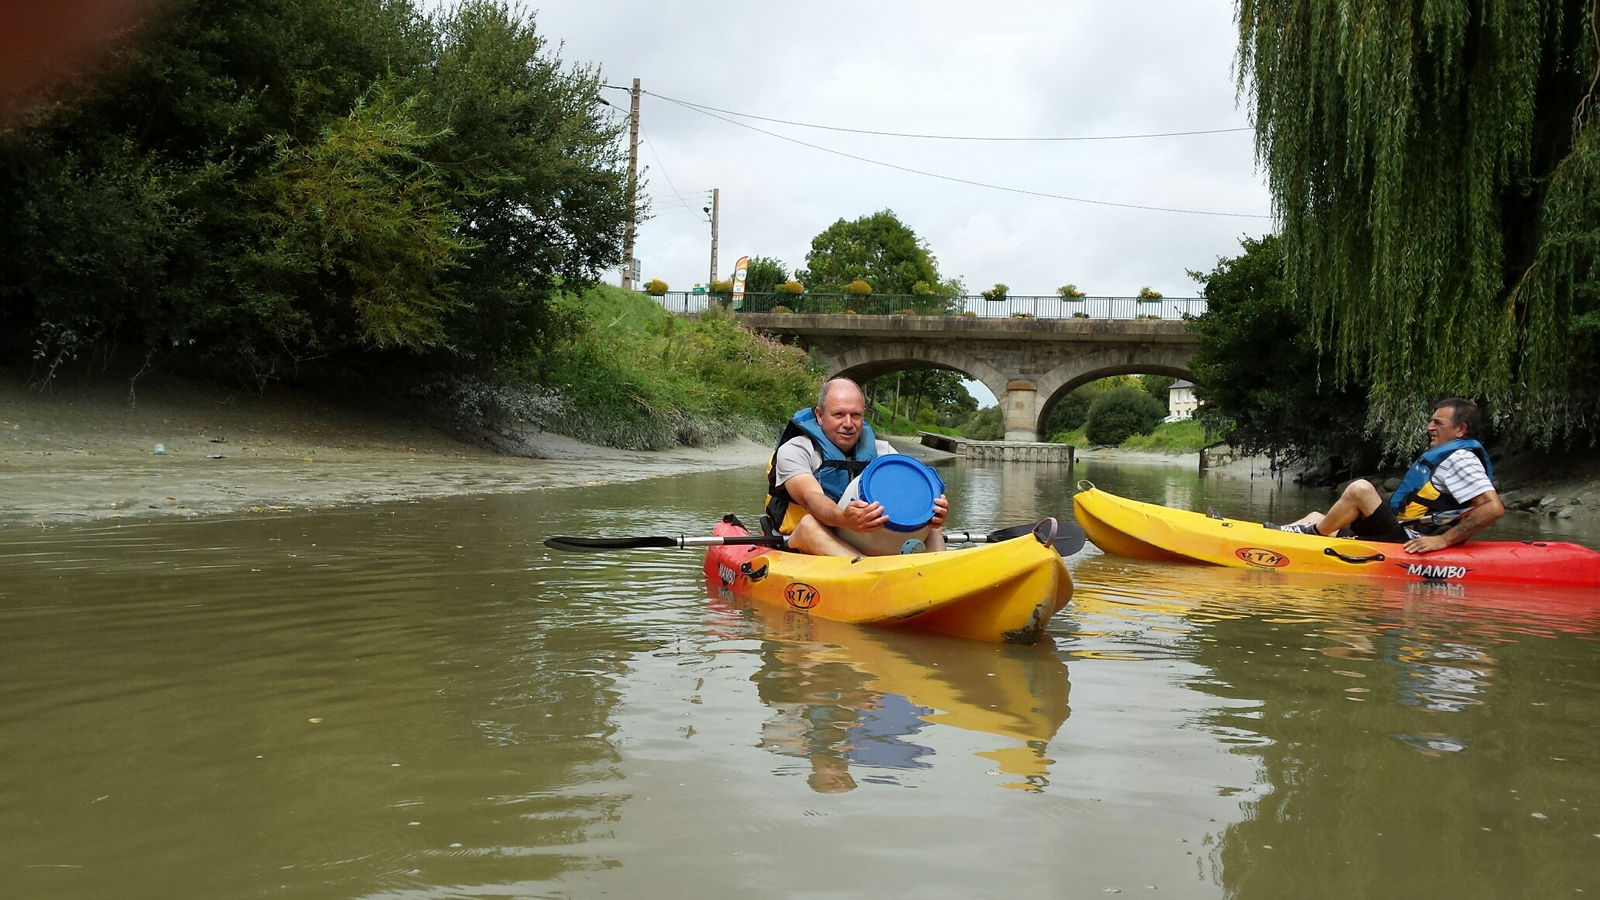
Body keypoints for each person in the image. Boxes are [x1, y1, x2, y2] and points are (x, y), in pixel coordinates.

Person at [1273, 398, 1504, 554]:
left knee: (1360, 489)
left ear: (1460, 429)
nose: (1429, 427)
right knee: (1315, 516)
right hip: (1401, 531)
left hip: (1409, 541)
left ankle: (1306, 538)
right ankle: (1273, 542)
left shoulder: (1461, 458)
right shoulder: (1451, 456)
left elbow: (1492, 508)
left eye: (1437, 422)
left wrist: (1442, 541)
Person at [765, 377, 948, 557]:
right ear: (820, 416)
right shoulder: (795, 450)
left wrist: (931, 509)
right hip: (804, 537)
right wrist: (842, 518)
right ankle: (870, 573)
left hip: (860, 538)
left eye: (855, 415)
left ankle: (939, 573)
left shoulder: (884, 452)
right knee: (809, 525)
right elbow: (811, 498)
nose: (848, 424)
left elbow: (909, 495)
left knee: (931, 525)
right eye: (839, 415)